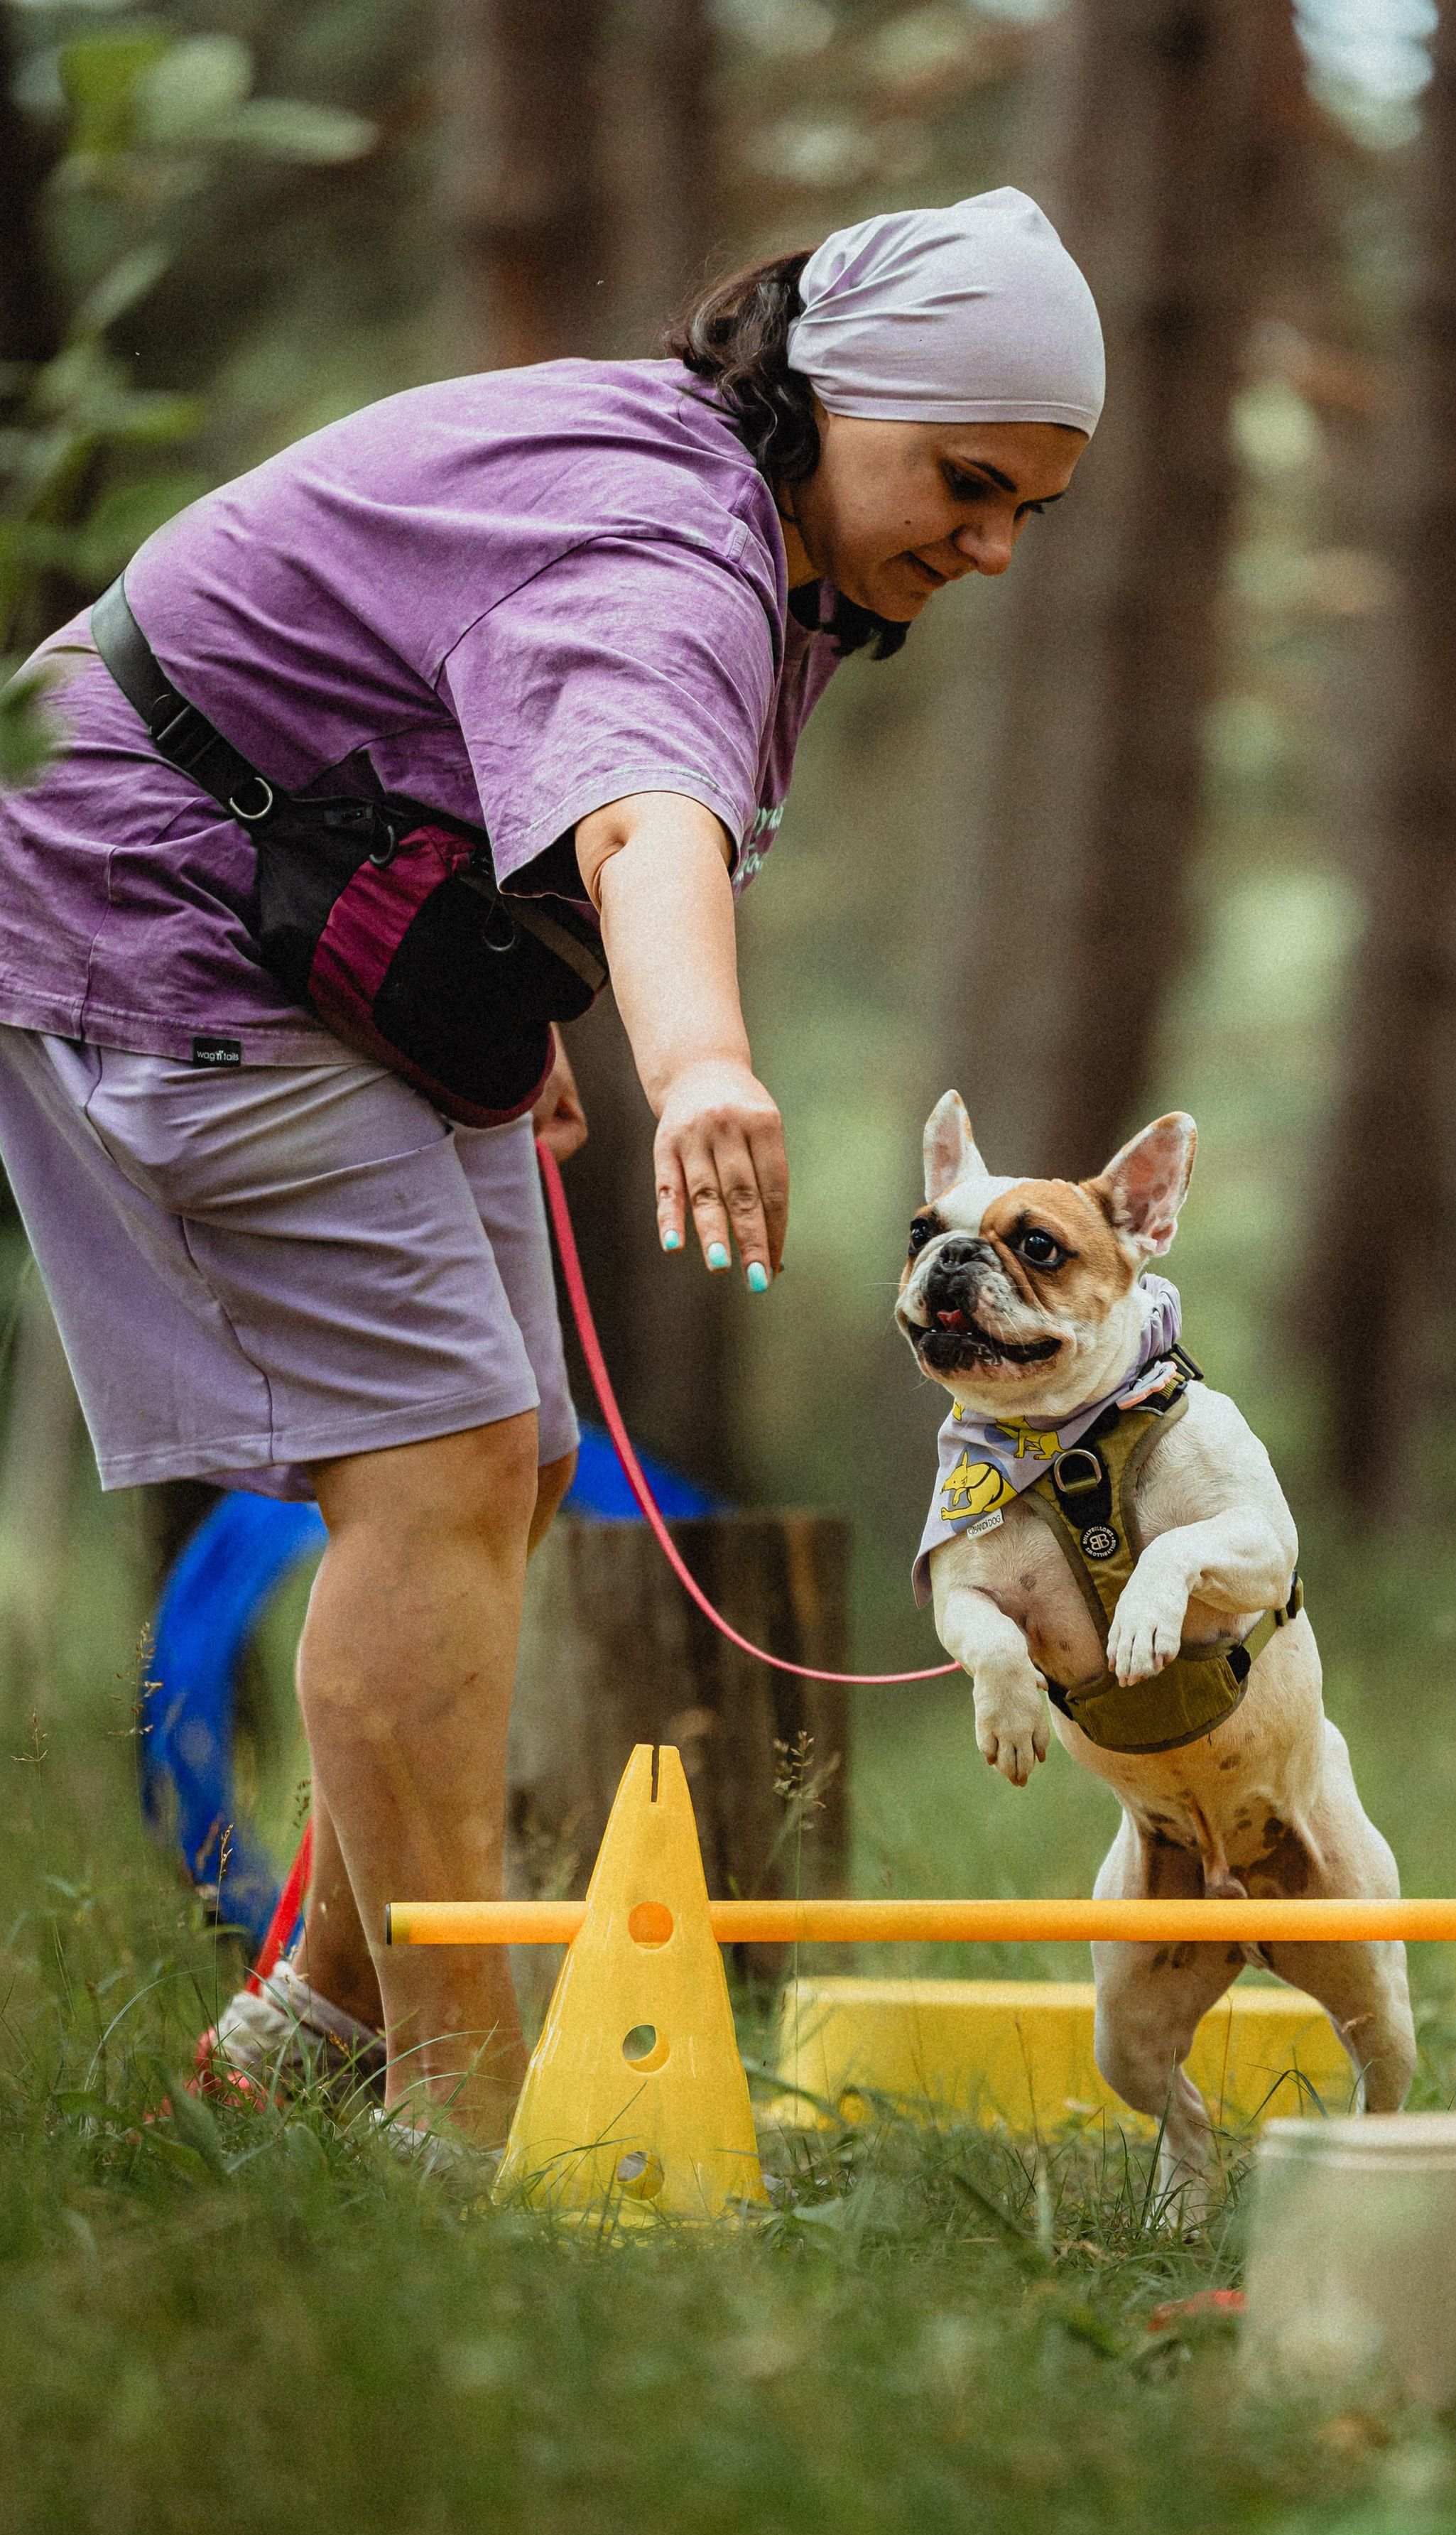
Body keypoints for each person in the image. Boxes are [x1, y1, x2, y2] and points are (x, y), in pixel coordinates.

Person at [0, 187, 1104, 2150]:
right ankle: (458, 2096)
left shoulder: (735, 495)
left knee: (514, 1464)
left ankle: (309, 2036)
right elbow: (638, 815)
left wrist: (526, 1020)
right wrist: (694, 1065)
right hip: (150, 904)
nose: (996, 542)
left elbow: (477, 740)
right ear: (841, 398)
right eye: (966, 477)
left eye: (1031, 503)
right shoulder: (673, 533)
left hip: (308, 926)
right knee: (429, 1469)